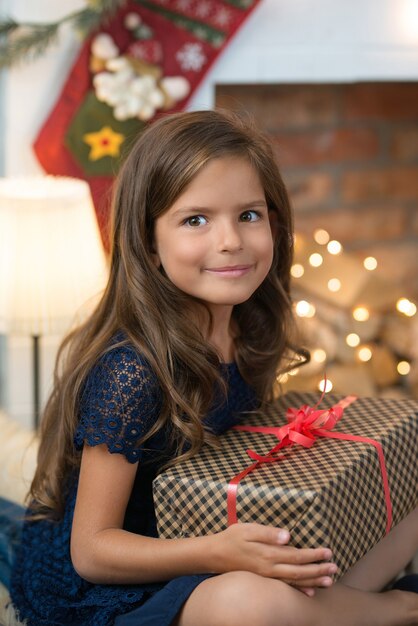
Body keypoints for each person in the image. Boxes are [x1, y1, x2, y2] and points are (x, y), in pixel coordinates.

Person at [10, 109, 418, 626]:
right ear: (149, 243)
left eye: (248, 215)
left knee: (406, 490)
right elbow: (92, 551)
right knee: (253, 602)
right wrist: (219, 554)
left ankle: (335, 609)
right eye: (195, 220)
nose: (230, 241)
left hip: (218, 542)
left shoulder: (249, 327)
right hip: (127, 579)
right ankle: (396, 608)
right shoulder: (131, 372)